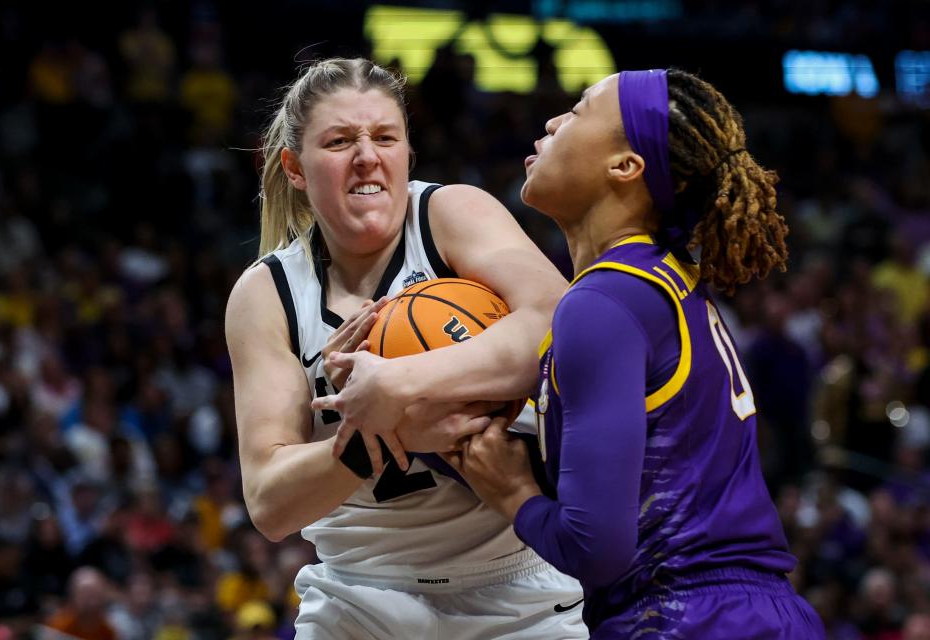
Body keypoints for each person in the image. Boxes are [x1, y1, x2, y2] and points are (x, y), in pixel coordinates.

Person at [438, 69, 827, 638]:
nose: (551, 120)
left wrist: (513, 492)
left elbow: (597, 550)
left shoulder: (604, 303)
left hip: (683, 617)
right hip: (756, 612)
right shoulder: (661, 285)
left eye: (577, 111)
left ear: (625, 166)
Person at [225, 58, 585, 639]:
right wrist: (382, 435)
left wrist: (398, 386)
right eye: (340, 141)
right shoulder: (266, 293)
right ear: (294, 167)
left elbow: (557, 323)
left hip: (515, 588)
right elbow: (270, 503)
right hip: (357, 594)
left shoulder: (447, 214)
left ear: (408, 152)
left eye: (385, 137)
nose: (367, 155)